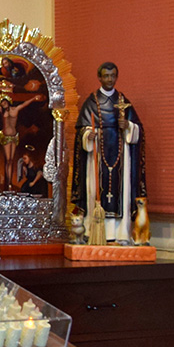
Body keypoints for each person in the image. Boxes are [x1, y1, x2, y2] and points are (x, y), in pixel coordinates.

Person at [71, 61, 146, 243]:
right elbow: (81, 130)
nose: (109, 79)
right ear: (99, 77)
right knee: (95, 190)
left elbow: (138, 130)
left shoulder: (123, 102)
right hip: (97, 154)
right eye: (106, 76)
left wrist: (127, 126)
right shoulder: (91, 102)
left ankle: (121, 234)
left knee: (119, 192)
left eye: (113, 76)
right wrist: (88, 135)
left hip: (120, 156)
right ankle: (95, 232)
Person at [0, 91, 45, 190]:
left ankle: (10, 182)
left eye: (4, 102)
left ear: (8, 102)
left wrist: (34, 98)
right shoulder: (1, 111)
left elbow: (24, 104)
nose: (3, 104)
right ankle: (8, 182)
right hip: (6, 137)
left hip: (14, 136)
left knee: (11, 159)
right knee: (8, 160)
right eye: (1, 103)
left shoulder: (15, 109)